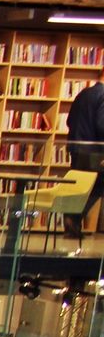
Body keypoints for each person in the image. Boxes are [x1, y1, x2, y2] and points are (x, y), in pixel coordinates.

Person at [65, 76, 104, 237]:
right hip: (94, 151)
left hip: (76, 148)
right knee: (98, 185)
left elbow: (69, 120)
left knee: (79, 186)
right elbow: (102, 125)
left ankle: (72, 220)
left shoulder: (83, 93)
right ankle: (73, 217)